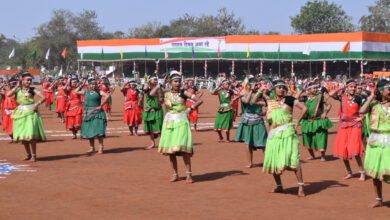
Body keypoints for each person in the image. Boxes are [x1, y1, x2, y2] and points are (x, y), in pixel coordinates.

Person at [262, 80, 307, 197]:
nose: (281, 89)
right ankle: (279, 186)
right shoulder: (270, 102)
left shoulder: (290, 99)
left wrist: (297, 122)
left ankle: (301, 186)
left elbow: (304, 109)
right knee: (274, 160)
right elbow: (268, 121)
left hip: (288, 132)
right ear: (274, 90)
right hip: (274, 134)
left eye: (283, 87)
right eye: (279, 87)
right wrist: (269, 135)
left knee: (294, 158)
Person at [158, 71, 203, 183]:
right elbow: (154, 94)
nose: (177, 83)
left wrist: (189, 109)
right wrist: (161, 83)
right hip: (169, 122)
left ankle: (188, 175)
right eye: (175, 81)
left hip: (181, 121)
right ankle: (175, 174)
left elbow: (199, 100)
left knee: (183, 149)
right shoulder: (166, 93)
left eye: (179, 81)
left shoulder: (184, 93)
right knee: (171, 151)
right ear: (170, 82)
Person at [359, 79, 390, 208]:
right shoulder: (373, 104)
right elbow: (361, 111)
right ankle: (378, 199)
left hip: (388, 140)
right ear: (381, 91)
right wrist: (371, 96)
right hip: (375, 141)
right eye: (388, 89)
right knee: (375, 174)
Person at [329, 79, 366, 181]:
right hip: (344, 126)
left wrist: (361, 118)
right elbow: (331, 93)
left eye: (354, 87)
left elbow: (365, 110)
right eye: (351, 87)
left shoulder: (359, 98)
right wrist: (341, 87)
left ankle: (362, 172)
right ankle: (349, 172)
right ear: (347, 87)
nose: (353, 89)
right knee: (343, 149)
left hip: (355, 125)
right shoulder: (342, 98)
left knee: (355, 150)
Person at [8, 72, 47, 162]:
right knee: (23, 136)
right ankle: (28, 154)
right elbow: (8, 95)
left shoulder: (32, 89)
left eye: (30, 80)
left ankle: (34, 155)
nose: (29, 81)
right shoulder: (18, 90)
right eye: (27, 80)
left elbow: (43, 97)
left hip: (31, 114)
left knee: (31, 136)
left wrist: (37, 103)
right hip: (20, 114)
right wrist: (17, 86)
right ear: (22, 80)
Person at [235, 77, 267, 168]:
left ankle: (267, 161)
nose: (256, 86)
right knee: (247, 142)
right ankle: (250, 162)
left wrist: (264, 110)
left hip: (258, 119)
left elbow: (265, 105)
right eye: (254, 84)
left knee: (263, 141)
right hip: (247, 120)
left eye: (257, 84)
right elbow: (246, 101)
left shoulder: (261, 94)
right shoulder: (244, 94)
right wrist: (251, 91)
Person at [298, 82, 333, 161]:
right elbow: (296, 98)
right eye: (314, 88)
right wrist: (302, 89)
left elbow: (329, 105)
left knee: (320, 138)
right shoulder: (305, 98)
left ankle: (322, 156)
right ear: (309, 90)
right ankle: (312, 155)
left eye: (317, 88)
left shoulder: (320, 97)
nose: (316, 89)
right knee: (307, 139)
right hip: (308, 121)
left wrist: (325, 112)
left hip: (318, 121)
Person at [76, 78, 110, 154]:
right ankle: (92, 147)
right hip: (88, 113)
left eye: (94, 84)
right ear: (89, 85)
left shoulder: (99, 91)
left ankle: (101, 147)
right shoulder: (86, 92)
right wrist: (81, 84)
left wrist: (101, 105)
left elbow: (107, 96)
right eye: (91, 84)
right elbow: (76, 91)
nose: (93, 85)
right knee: (89, 131)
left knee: (99, 131)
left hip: (98, 113)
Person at [142, 76, 164, 149]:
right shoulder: (147, 88)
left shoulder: (160, 89)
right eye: (154, 79)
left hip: (158, 110)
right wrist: (147, 81)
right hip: (149, 111)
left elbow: (163, 97)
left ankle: (162, 143)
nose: (156, 80)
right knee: (150, 128)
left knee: (160, 127)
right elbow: (145, 89)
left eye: (156, 79)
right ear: (150, 81)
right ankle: (152, 143)